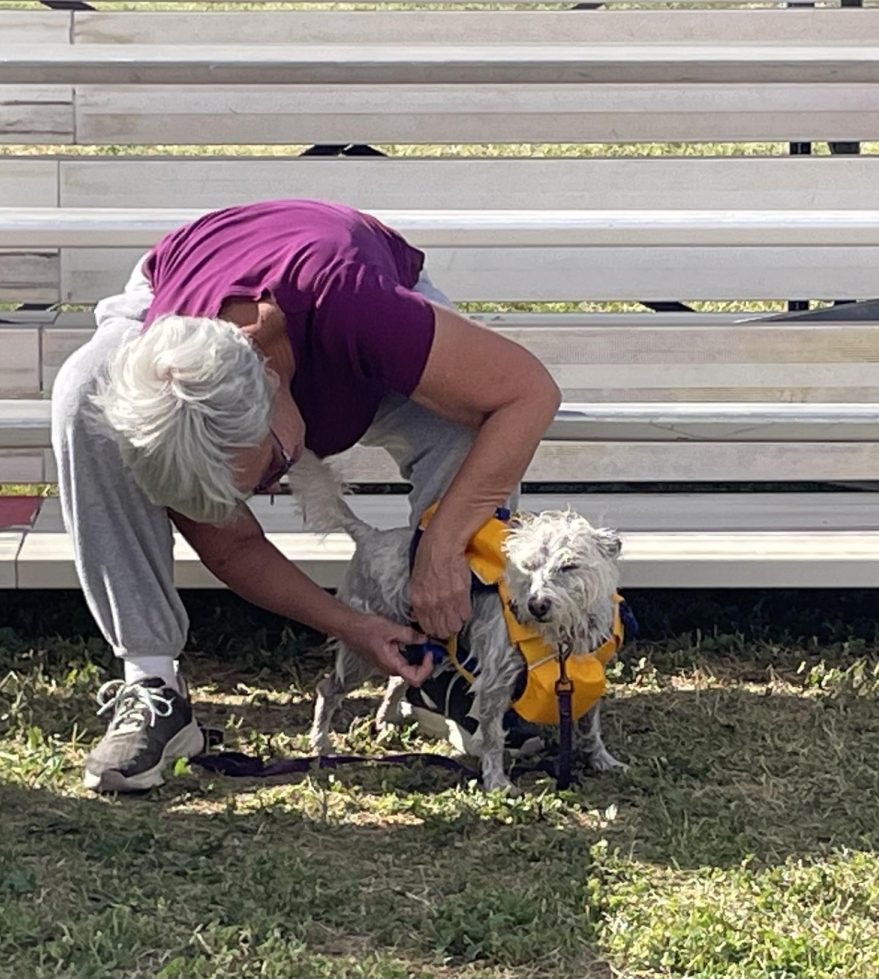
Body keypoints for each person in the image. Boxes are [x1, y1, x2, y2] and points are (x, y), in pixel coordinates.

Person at [51, 199, 562, 793]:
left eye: (269, 470)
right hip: (181, 282)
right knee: (84, 395)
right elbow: (236, 546)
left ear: (271, 384)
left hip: (337, 289)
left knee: (472, 426)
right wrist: (354, 626)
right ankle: (151, 682)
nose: (268, 492)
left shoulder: (357, 309)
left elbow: (529, 393)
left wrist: (443, 546)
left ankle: (455, 659)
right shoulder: (171, 374)